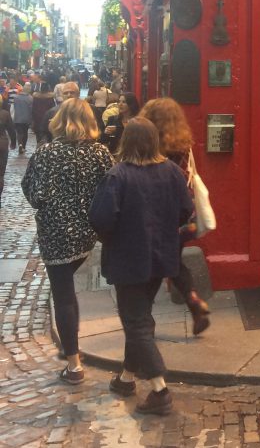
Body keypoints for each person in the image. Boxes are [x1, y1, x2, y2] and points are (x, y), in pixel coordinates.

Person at [89, 117, 193, 415]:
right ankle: (126, 378)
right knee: (141, 318)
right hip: (160, 257)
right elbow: (185, 210)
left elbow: (100, 218)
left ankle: (160, 390)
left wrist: (113, 239)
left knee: (136, 322)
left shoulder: (117, 176)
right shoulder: (172, 172)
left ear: (127, 141)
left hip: (127, 258)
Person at [22, 99, 113, 385]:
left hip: (55, 233)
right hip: (87, 233)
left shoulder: (46, 153)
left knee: (63, 295)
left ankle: (74, 365)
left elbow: (32, 193)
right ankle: (73, 354)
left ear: (59, 120)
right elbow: (113, 190)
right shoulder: (100, 153)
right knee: (66, 289)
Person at [138, 97, 211, 335]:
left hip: (157, 217)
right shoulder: (183, 144)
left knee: (156, 264)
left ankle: (143, 320)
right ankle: (194, 303)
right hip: (182, 216)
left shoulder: (149, 147)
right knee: (172, 262)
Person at [0, 96, 15, 197]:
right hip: (2, 144)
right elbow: (11, 129)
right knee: (0, 173)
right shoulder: (5, 114)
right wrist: (13, 142)